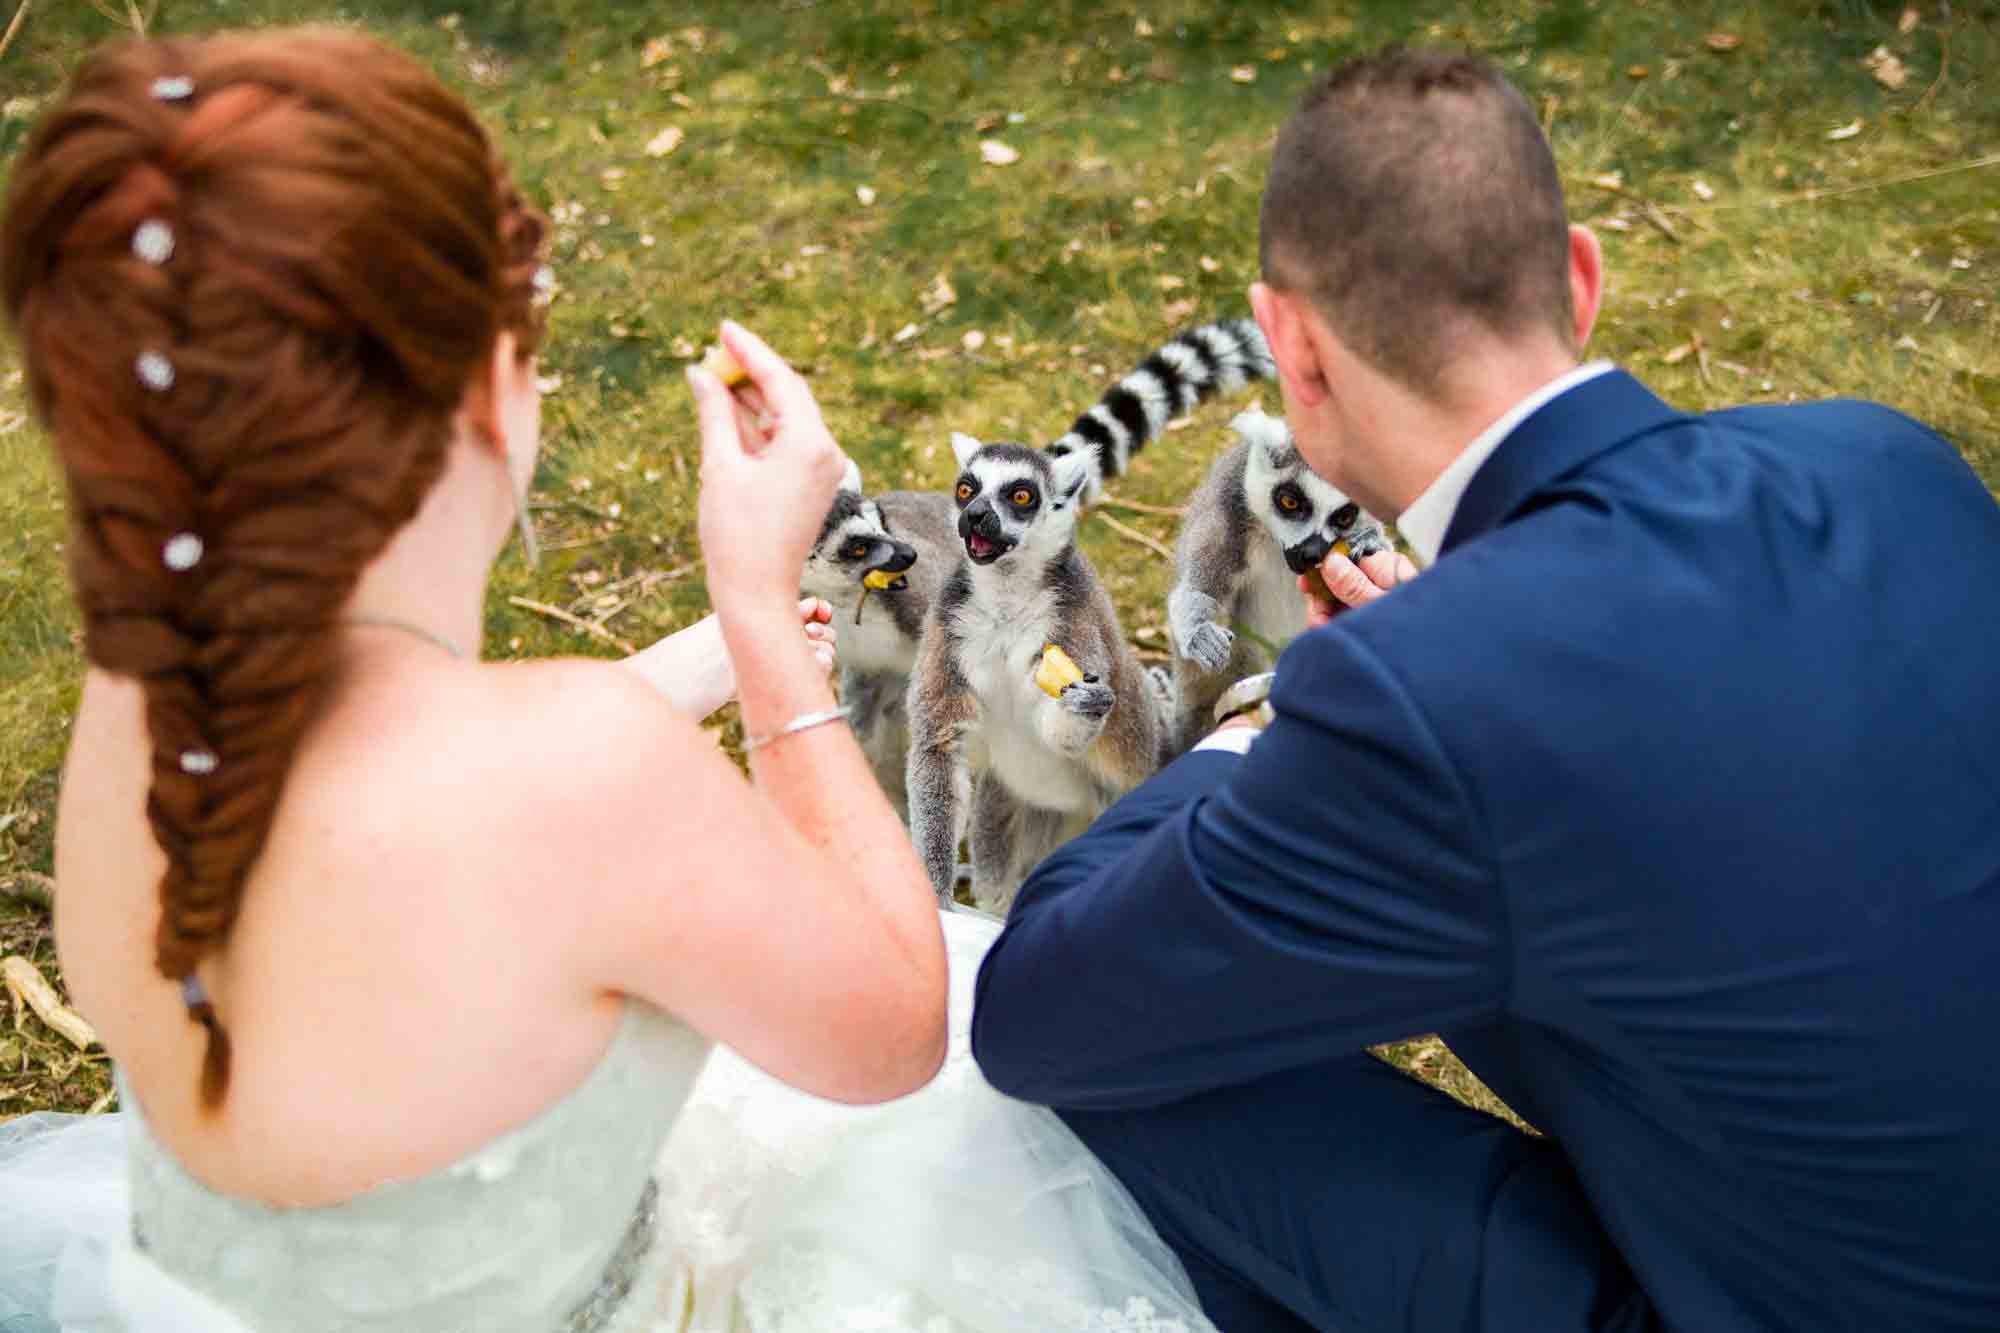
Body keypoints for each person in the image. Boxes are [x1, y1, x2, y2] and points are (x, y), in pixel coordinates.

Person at [0, 28, 1213, 1333]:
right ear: (486, 388)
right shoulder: (588, 776)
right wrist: (759, 628)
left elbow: (453, 804)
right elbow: (894, 1030)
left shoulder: (147, 702)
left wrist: (691, 662)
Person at [972, 46, 2000, 1333]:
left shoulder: (1422, 701)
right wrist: (1444, 657)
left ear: (1292, 347)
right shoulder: (1883, 456)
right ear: (1580, 277)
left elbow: (1038, 1010)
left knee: (1129, 1072)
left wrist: (1268, 731)